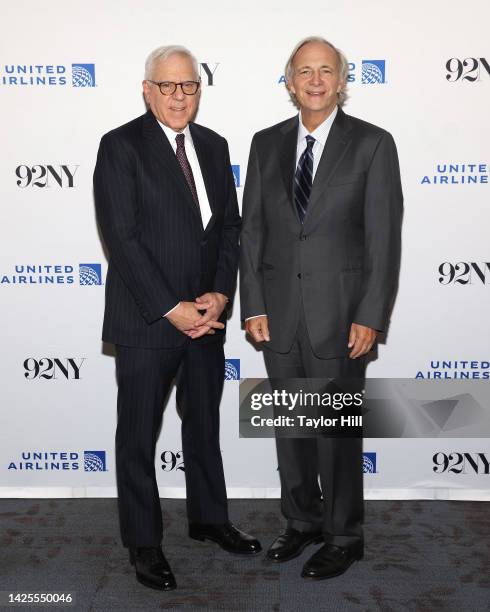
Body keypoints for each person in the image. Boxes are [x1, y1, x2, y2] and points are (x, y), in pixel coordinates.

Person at [94, 44, 261, 592]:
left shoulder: (213, 147)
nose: (178, 97)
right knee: (138, 436)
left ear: (199, 89)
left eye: (188, 86)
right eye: (167, 86)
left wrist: (218, 294)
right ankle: (143, 544)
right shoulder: (120, 146)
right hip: (147, 321)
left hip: (206, 318)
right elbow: (123, 237)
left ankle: (209, 519)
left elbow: (229, 228)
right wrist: (173, 308)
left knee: (204, 422)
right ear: (147, 90)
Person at [240, 36, 402, 580]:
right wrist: (254, 304)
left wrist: (371, 314)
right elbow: (253, 233)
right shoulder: (264, 144)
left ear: (341, 81)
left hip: (341, 316)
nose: (314, 80)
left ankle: (343, 535)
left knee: (334, 434)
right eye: (304, 71)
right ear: (289, 82)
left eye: (325, 71)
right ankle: (302, 523)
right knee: (291, 429)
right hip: (279, 313)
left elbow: (383, 238)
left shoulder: (373, 145)